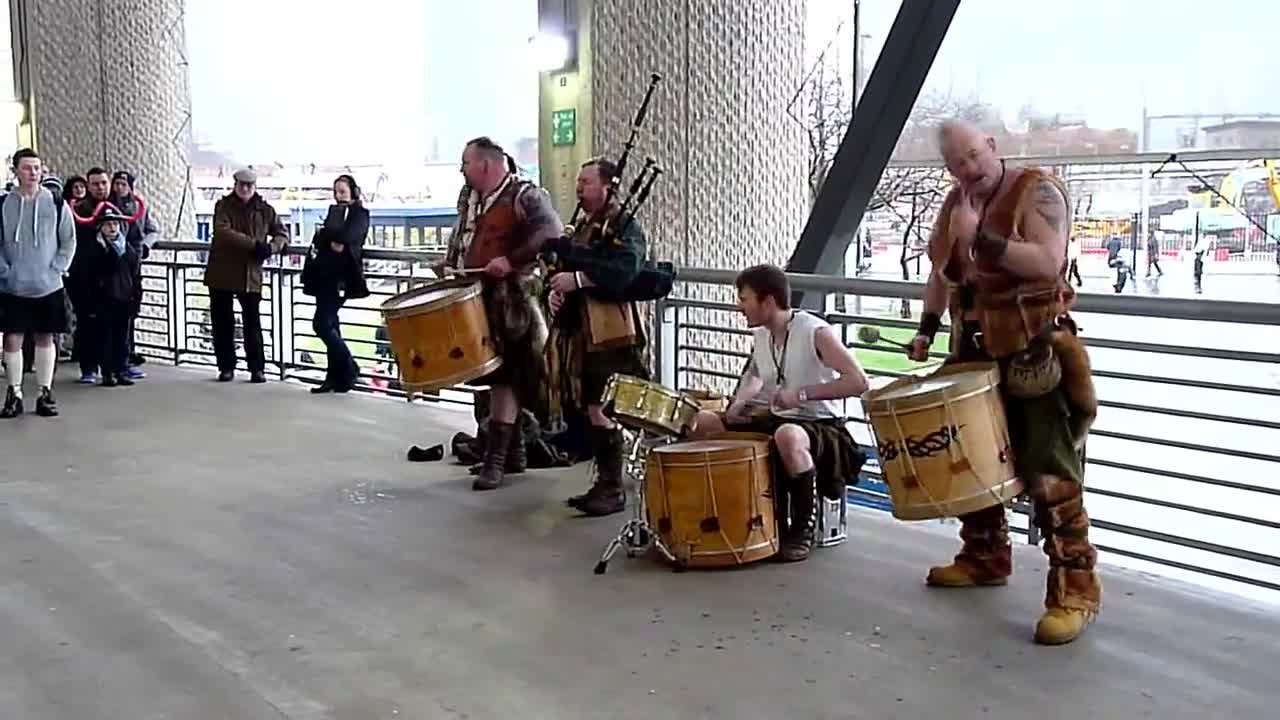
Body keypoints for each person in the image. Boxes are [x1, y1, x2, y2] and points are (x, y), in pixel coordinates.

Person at [907, 120, 1100, 645]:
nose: (970, 169)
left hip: (1031, 342)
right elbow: (943, 273)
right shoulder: (956, 202)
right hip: (973, 344)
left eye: (974, 156)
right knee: (972, 456)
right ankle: (985, 553)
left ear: (991, 146)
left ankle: (1076, 587)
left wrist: (982, 240)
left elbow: (1046, 262)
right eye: (958, 163)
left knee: (1048, 467)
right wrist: (926, 328)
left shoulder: (1036, 190)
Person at [689, 264, 869, 562]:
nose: (739, 306)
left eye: (744, 298)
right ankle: (728, 515)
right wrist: (736, 405)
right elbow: (755, 376)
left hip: (821, 427)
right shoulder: (763, 335)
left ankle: (801, 529)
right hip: (779, 418)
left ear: (768, 302)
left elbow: (858, 381)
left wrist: (801, 394)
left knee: (787, 435)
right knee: (703, 422)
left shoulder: (815, 332)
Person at [439, 137, 561, 491]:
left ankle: (497, 460)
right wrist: (450, 265)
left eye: (466, 163)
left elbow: (551, 232)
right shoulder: (471, 199)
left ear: (486, 165)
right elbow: (463, 236)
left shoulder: (525, 195)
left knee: (504, 377)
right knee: (491, 376)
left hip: (514, 304)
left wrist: (511, 260)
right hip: (479, 298)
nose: (462, 170)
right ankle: (512, 454)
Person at [544, 158, 651, 517]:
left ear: (608, 186)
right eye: (578, 182)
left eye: (587, 182)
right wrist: (556, 289)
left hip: (612, 334)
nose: (579, 188)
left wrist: (577, 280)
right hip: (583, 334)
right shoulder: (587, 227)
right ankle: (608, 485)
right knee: (592, 406)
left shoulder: (624, 225)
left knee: (613, 407)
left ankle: (615, 487)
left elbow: (624, 272)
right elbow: (565, 267)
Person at [0, 149, 76, 418]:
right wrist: (4, 271)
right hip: (13, 286)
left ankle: (45, 391)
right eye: (27, 168)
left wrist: (57, 268)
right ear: (16, 171)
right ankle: (14, 392)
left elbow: (68, 240)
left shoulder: (56, 202)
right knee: (12, 339)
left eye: (37, 167)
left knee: (46, 337)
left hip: (49, 285)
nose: (33, 173)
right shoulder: (3, 203)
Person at [204, 168, 289, 383]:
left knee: (253, 323)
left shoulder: (265, 210)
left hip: (250, 275)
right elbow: (222, 232)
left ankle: (257, 368)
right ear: (235, 185)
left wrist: (272, 247)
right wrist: (255, 246)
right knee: (222, 323)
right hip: (222, 272)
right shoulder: (223, 206)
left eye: (249, 185)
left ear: (254, 187)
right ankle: (226, 367)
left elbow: (282, 233)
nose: (244, 189)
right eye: (241, 185)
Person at [302, 174, 369, 393]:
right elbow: (324, 237)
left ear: (353, 191)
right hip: (324, 276)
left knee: (321, 324)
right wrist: (331, 237)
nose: (338, 196)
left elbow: (347, 237)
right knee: (332, 325)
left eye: (342, 191)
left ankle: (349, 366)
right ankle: (336, 377)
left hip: (342, 279)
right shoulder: (334, 211)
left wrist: (333, 237)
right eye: (335, 191)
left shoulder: (360, 214)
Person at [83, 205, 140, 387]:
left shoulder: (128, 249)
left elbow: (136, 276)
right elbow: (92, 275)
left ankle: (121, 369)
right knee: (105, 337)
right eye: (108, 224)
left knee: (122, 338)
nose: (112, 228)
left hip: (124, 298)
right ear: (100, 227)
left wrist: (136, 298)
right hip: (104, 299)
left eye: (115, 223)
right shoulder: (95, 249)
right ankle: (107, 372)